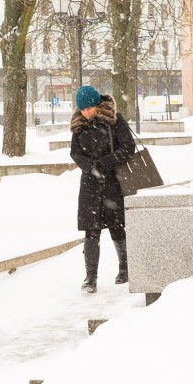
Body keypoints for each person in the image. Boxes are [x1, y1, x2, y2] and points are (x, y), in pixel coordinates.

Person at [70, 85, 136, 293]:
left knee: (117, 226)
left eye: (88, 108)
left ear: (96, 105)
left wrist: (105, 163)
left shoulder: (115, 120)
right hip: (90, 184)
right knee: (91, 230)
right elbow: (75, 153)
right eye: (82, 109)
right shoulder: (79, 125)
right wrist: (91, 167)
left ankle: (125, 268)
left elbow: (128, 147)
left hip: (113, 182)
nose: (85, 113)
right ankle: (90, 278)